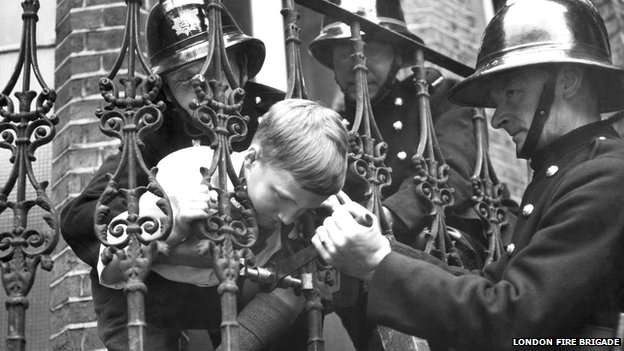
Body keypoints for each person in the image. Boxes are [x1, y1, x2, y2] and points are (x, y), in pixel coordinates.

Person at [312, 0, 624, 350]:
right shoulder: (570, 171)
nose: (496, 118)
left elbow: (512, 318)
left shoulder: (606, 175)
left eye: (511, 92)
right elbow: (487, 286)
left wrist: (377, 264)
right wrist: (382, 249)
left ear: (568, 81)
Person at [60, 1, 334, 350]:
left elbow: (337, 180)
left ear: (243, 67)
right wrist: (164, 226)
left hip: (255, 282)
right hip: (170, 291)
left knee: (303, 264)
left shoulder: (276, 121)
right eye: (188, 80)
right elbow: (81, 218)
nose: (206, 90)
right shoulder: (153, 132)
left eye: (217, 70)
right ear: (169, 92)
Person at [308, 0, 510, 349]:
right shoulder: (332, 127)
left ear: (398, 57)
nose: (359, 65)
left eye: (372, 50)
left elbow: (454, 173)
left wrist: (387, 214)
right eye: (345, 54)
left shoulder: (436, 95)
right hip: (369, 279)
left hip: (454, 257)